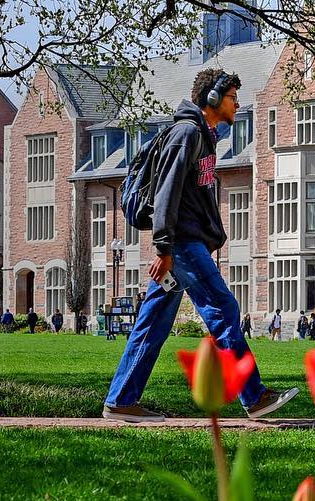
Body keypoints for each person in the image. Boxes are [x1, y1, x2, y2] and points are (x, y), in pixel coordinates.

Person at [103, 67, 298, 422]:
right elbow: (166, 194)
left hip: (186, 245)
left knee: (153, 323)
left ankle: (121, 401)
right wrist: (164, 248)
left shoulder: (203, 137)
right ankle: (253, 396)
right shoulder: (186, 135)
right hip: (181, 245)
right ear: (212, 98)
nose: (237, 104)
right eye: (232, 98)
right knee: (223, 308)